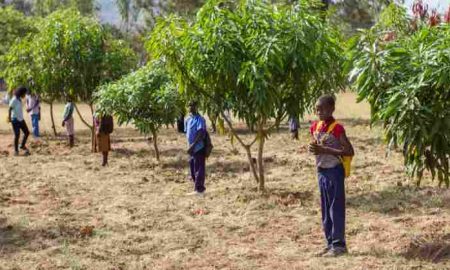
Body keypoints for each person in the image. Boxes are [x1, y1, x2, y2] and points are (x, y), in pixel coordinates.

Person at [308, 95, 354, 257]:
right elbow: (317, 146)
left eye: (324, 109)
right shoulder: (315, 127)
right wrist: (314, 148)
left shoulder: (337, 128)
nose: (319, 112)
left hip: (334, 171)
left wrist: (325, 150)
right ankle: (330, 243)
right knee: (326, 210)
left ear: (332, 109)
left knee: (336, 208)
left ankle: (339, 245)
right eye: (317, 109)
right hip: (321, 171)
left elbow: (349, 151)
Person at [185, 101, 207, 195]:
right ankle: (196, 188)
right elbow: (187, 133)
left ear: (196, 107)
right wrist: (189, 146)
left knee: (199, 168)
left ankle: (199, 189)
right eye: (189, 105)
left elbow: (201, 133)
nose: (190, 107)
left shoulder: (200, 119)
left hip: (198, 147)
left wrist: (193, 145)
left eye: (192, 105)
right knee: (193, 168)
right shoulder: (187, 119)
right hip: (191, 148)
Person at [8, 86, 30, 156]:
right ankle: (16, 151)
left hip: (21, 119)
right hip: (15, 119)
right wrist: (9, 118)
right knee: (17, 134)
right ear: (21, 93)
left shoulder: (19, 99)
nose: (25, 95)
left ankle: (22, 145)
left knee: (27, 132)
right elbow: (10, 109)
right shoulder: (14, 99)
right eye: (24, 93)